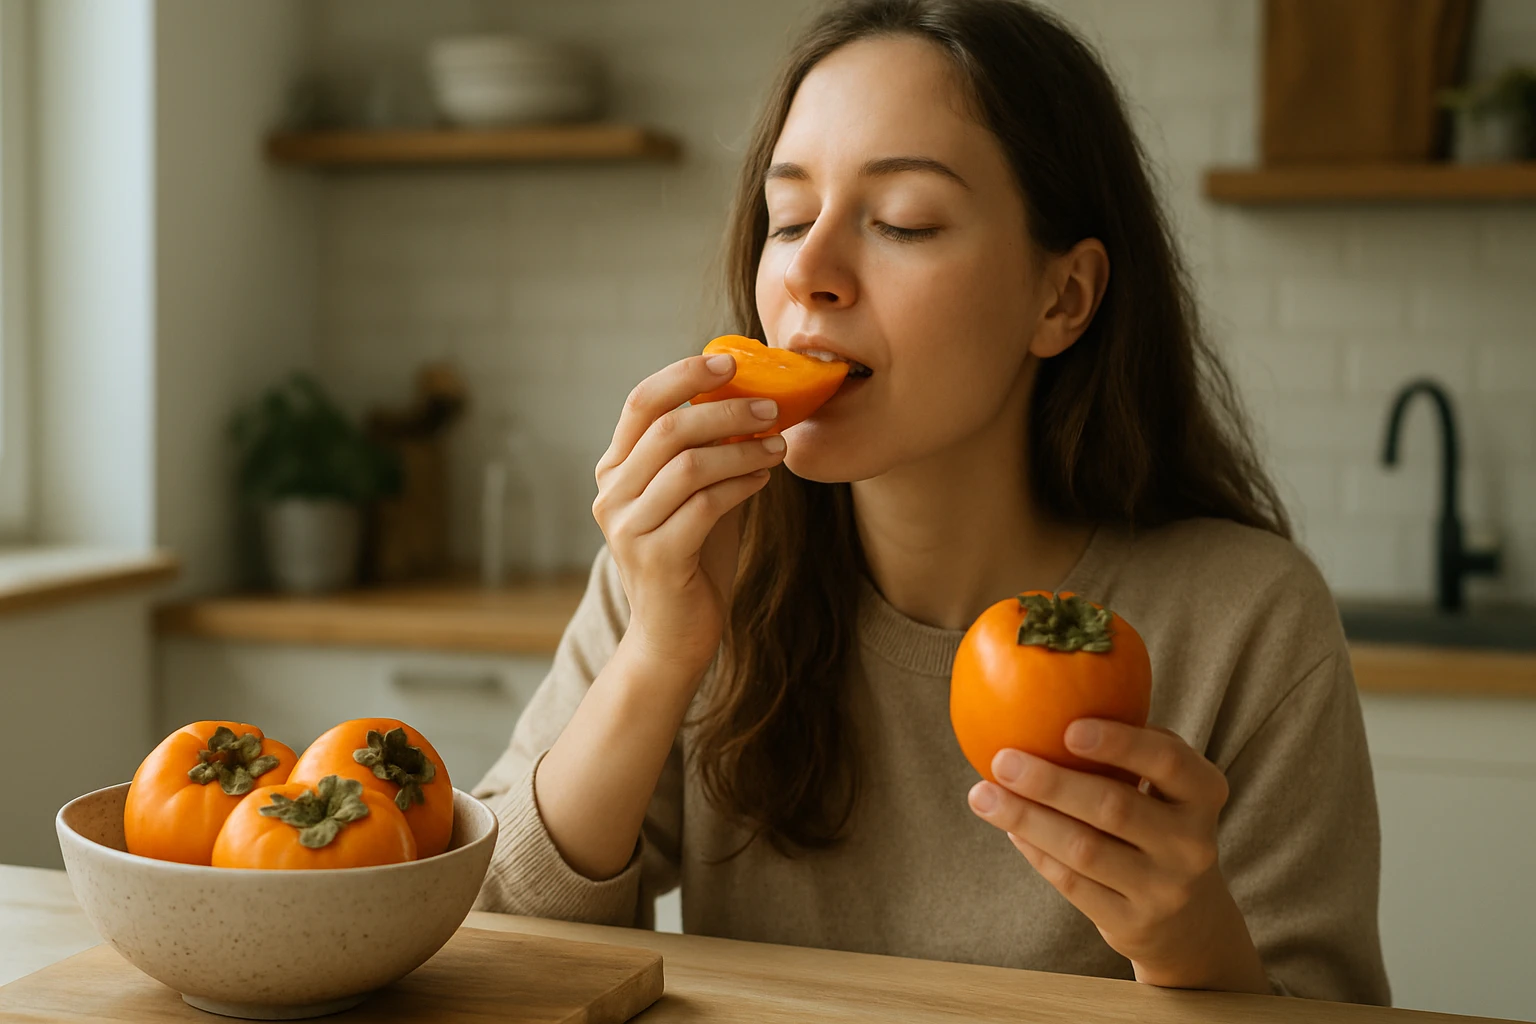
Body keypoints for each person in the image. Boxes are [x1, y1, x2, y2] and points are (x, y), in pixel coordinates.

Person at [471, 0, 1390, 1003]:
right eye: (786, 220)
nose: (807, 274)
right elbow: (497, 948)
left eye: (901, 220)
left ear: (1063, 299)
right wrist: (657, 653)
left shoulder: (1249, 621)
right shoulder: (691, 560)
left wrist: (1188, 938)